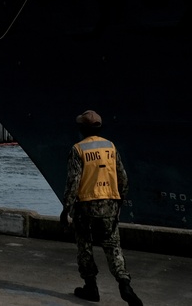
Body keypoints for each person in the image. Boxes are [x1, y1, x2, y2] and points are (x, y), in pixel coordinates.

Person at [61, 110, 143, 306]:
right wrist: (119, 200)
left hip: (86, 207)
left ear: (82, 128)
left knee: (85, 248)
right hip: (109, 206)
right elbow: (123, 178)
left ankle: (91, 287)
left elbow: (73, 182)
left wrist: (66, 209)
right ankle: (125, 284)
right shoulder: (111, 147)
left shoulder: (78, 149)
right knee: (113, 247)